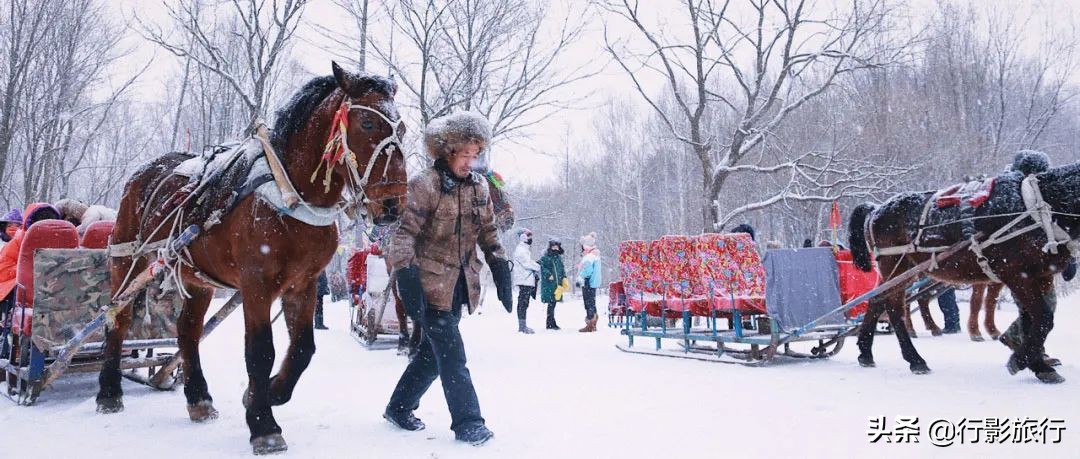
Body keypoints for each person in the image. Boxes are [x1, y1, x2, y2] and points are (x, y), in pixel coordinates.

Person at [384, 111, 514, 446]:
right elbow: (402, 235)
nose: (470, 162)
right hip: (428, 286)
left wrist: (499, 265)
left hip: (460, 286)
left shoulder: (479, 187)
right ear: (447, 150)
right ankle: (469, 422)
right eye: (464, 155)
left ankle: (398, 408)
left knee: (431, 357)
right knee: (453, 355)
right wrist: (407, 275)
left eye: (475, 155)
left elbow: (487, 232)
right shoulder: (424, 185)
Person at [512, 228, 541, 334]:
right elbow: (527, 263)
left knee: (524, 303)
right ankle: (522, 327)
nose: (531, 239)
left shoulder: (524, 249)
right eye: (529, 237)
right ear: (523, 237)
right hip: (524, 279)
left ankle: (523, 325)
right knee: (523, 303)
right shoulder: (521, 250)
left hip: (526, 279)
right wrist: (538, 266)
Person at [575, 232, 602, 333]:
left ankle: (590, 324)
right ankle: (593, 323)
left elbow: (587, 270)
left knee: (588, 303)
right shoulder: (595, 255)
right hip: (593, 283)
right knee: (592, 303)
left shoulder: (590, 256)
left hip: (588, 283)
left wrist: (580, 278)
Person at [539, 239, 567, 330]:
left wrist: (564, 277)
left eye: (557, 246)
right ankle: (550, 323)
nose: (555, 248)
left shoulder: (559, 258)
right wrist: (548, 274)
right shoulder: (546, 257)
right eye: (553, 246)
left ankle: (551, 322)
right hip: (549, 284)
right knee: (551, 303)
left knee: (553, 303)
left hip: (557, 284)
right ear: (550, 247)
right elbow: (543, 267)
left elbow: (562, 269)